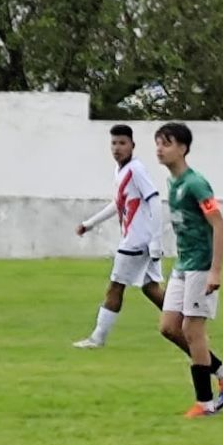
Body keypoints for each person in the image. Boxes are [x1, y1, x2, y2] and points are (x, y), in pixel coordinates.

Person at [153, 123, 223, 418]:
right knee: (169, 327)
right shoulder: (173, 184)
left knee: (193, 331)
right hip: (183, 265)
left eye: (166, 143)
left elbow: (219, 225)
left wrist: (215, 272)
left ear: (182, 148)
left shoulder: (196, 184)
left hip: (200, 267)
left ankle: (205, 404)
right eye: (158, 143)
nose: (160, 149)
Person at [73, 124, 165, 349]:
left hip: (135, 241)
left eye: (122, 143)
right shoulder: (121, 171)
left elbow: (154, 199)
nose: (117, 148)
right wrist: (89, 224)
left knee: (115, 287)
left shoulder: (136, 169)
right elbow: (119, 203)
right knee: (150, 288)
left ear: (132, 145)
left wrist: (155, 240)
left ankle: (97, 338)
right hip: (138, 240)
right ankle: (188, 324)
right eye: (114, 143)